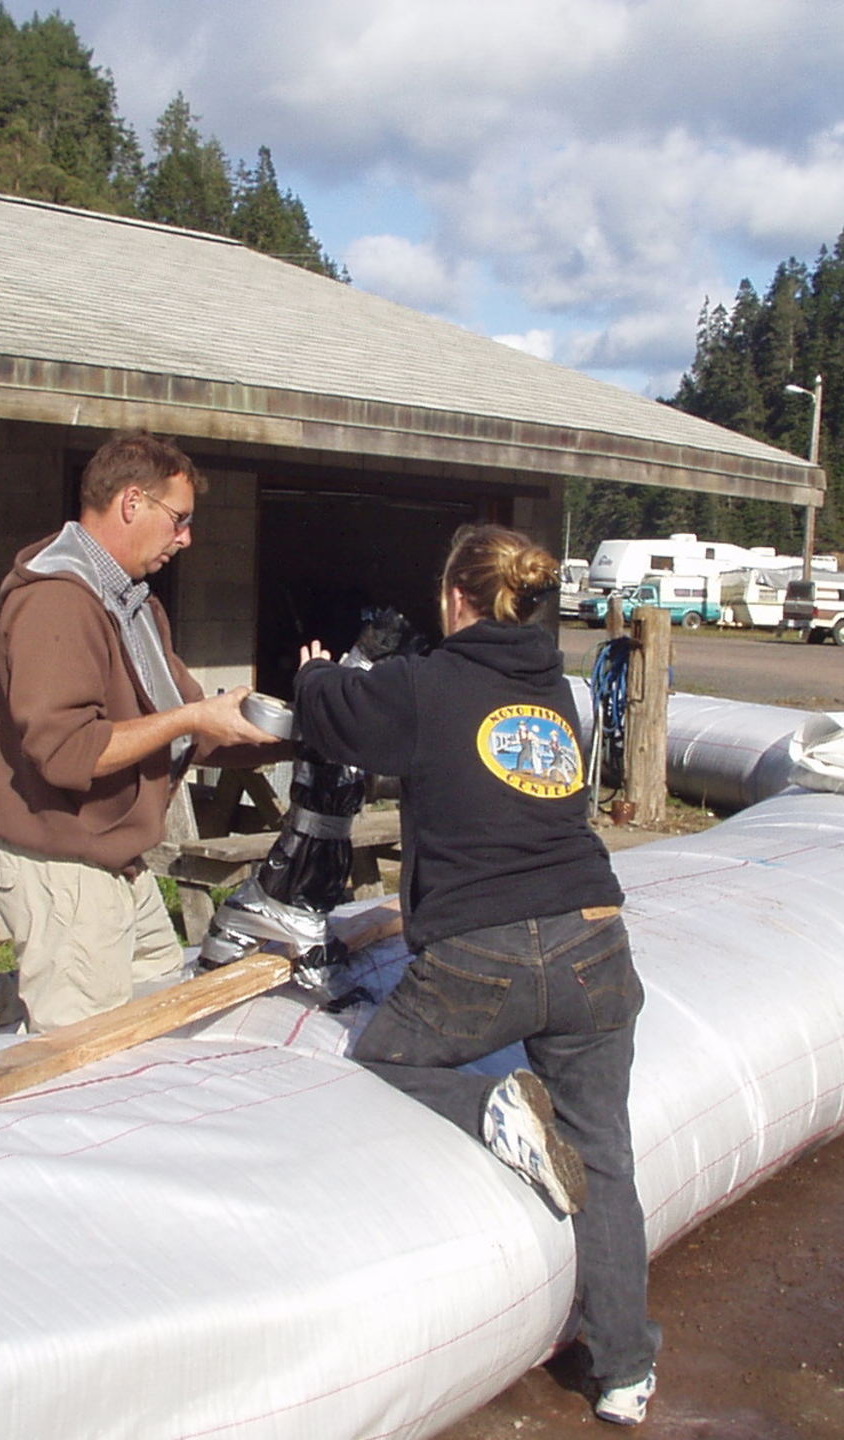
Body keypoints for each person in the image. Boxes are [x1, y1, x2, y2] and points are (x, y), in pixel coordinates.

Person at [292, 523, 662, 1427]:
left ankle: (490, 1110)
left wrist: (311, 670)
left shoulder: (423, 686)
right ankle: (625, 1372)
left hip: (483, 954)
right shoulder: (557, 694)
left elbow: (334, 711)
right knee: (605, 1155)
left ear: (455, 599)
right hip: (593, 940)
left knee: (385, 1056)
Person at [0, 430, 287, 1032]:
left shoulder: (131, 603)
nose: (185, 538)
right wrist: (197, 716)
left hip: (116, 864)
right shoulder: (57, 603)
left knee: (158, 1014)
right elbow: (69, 751)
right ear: (132, 503)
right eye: (179, 519)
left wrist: (303, 730)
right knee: (81, 1059)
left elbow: (185, 724)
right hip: (64, 868)